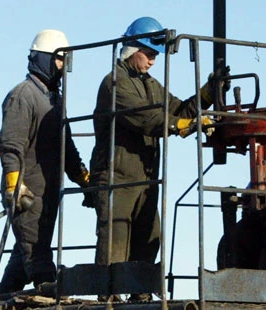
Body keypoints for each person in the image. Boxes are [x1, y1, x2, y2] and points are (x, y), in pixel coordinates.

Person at [89, 17, 224, 276]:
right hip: (116, 176)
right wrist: (184, 125)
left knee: (150, 234)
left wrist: (208, 93)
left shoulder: (149, 84)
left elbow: (178, 109)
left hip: (145, 177)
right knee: (116, 238)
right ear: (132, 49)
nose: (152, 61)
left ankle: (140, 292)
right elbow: (147, 119)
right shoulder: (114, 83)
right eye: (149, 54)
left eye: (155, 55)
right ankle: (109, 295)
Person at [0, 29, 93, 294]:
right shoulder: (23, 96)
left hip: (49, 192)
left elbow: (67, 147)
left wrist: (84, 178)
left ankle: (4, 295)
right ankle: (50, 291)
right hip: (27, 193)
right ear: (45, 58)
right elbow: (11, 144)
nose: (63, 67)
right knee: (37, 253)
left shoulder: (54, 100)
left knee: (24, 251)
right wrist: (14, 184)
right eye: (60, 60)